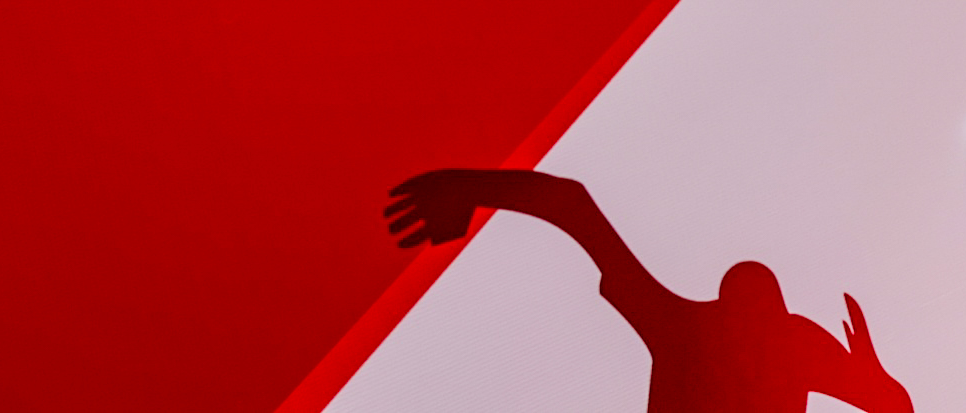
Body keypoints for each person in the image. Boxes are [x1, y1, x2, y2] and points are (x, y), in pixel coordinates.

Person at [385, 169, 911, 413]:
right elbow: (570, 205)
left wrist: (465, 190)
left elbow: (570, 205)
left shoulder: (698, 329)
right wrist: (463, 190)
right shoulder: (788, 346)